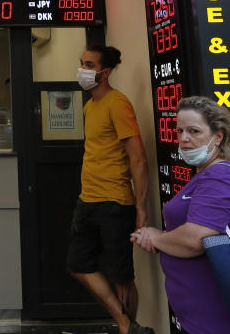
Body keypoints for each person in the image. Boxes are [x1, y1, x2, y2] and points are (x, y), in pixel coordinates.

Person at [130, 96, 230, 334]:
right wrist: (164, 238)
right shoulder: (205, 176)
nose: (184, 138)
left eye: (194, 131)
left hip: (226, 319)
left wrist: (156, 237)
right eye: (180, 131)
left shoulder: (219, 177)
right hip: (208, 317)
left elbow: (195, 240)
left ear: (218, 136)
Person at [67, 45, 152, 334]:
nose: (83, 69)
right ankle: (127, 324)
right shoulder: (90, 106)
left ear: (106, 71)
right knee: (79, 265)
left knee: (121, 277)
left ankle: (125, 328)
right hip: (87, 200)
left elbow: (138, 157)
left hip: (115, 203)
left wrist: (141, 207)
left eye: (89, 64)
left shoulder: (118, 103)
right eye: (82, 63)